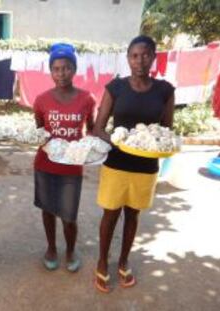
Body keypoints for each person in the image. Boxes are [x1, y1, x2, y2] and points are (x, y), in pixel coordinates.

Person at [92, 35, 175, 293]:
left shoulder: (165, 90)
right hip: (117, 162)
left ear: (154, 57)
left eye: (146, 54)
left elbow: (167, 131)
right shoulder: (115, 88)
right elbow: (98, 127)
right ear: (128, 58)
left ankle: (124, 260)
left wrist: (157, 146)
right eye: (134, 55)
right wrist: (119, 142)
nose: (140, 60)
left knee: (133, 214)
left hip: (146, 167)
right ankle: (103, 262)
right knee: (110, 214)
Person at [33, 43, 96, 272]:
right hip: (45, 164)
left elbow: (92, 131)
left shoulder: (87, 99)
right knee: (48, 209)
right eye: (56, 69)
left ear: (74, 69)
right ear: (51, 71)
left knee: (69, 216)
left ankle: (70, 249)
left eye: (66, 68)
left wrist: (92, 148)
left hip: (72, 167)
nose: (61, 73)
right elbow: (40, 133)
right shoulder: (41, 100)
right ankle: (51, 247)